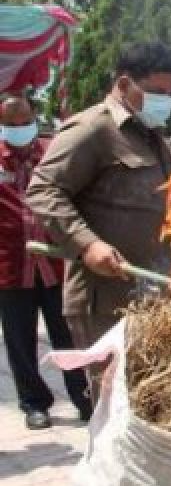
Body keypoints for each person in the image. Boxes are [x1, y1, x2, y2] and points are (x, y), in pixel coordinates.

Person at [26, 43, 171, 355]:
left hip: (152, 294)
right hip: (105, 303)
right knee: (113, 400)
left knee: (147, 400)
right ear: (125, 84)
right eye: (157, 92)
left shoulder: (152, 136)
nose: (166, 102)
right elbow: (43, 190)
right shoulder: (92, 129)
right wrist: (88, 245)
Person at [0, 95, 90, 429]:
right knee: (20, 340)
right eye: (11, 125)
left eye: (25, 123)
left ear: (34, 120)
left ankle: (84, 397)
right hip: (10, 269)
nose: (19, 130)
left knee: (69, 334)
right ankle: (34, 404)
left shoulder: (53, 153)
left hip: (56, 266)